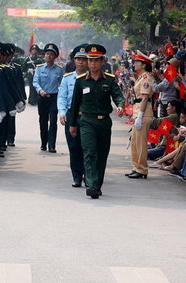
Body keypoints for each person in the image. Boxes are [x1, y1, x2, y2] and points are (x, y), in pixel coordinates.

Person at [67, 44, 124, 199]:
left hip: (104, 122)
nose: (92, 63)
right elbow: (74, 104)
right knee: (90, 152)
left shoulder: (110, 80)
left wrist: (120, 106)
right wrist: (72, 124)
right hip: (87, 121)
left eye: (95, 60)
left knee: (101, 154)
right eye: (90, 60)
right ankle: (91, 185)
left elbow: (118, 96)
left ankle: (97, 184)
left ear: (102, 62)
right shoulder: (81, 81)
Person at [57, 44, 88, 187]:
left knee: (88, 147)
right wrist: (62, 113)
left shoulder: (92, 78)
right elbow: (62, 97)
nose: (81, 62)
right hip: (72, 115)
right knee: (74, 146)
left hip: (88, 116)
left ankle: (88, 175)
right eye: (78, 59)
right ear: (74, 61)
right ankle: (76, 175)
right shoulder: (67, 78)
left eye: (84, 59)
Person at [126, 51, 156, 179]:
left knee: (141, 143)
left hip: (143, 113)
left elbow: (144, 98)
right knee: (135, 142)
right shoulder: (140, 77)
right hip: (138, 111)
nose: (135, 64)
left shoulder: (146, 78)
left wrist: (140, 115)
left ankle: (142, 169)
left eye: (137, 62)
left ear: (143, 64)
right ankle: (136, 166)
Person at [33, 43, 64, 153]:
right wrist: (40, 90)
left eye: (51, 54)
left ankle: (52, 145)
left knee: (53, 121)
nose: (49, 56)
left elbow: (62, 84)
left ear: (55, 57)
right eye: (47, 54)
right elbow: (35, 82)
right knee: (43, 121)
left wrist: (61, 93)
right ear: (44, 56)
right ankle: (43, 143)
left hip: (54, 98)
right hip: (42, 98)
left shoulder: (59, 70)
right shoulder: (39, 68)